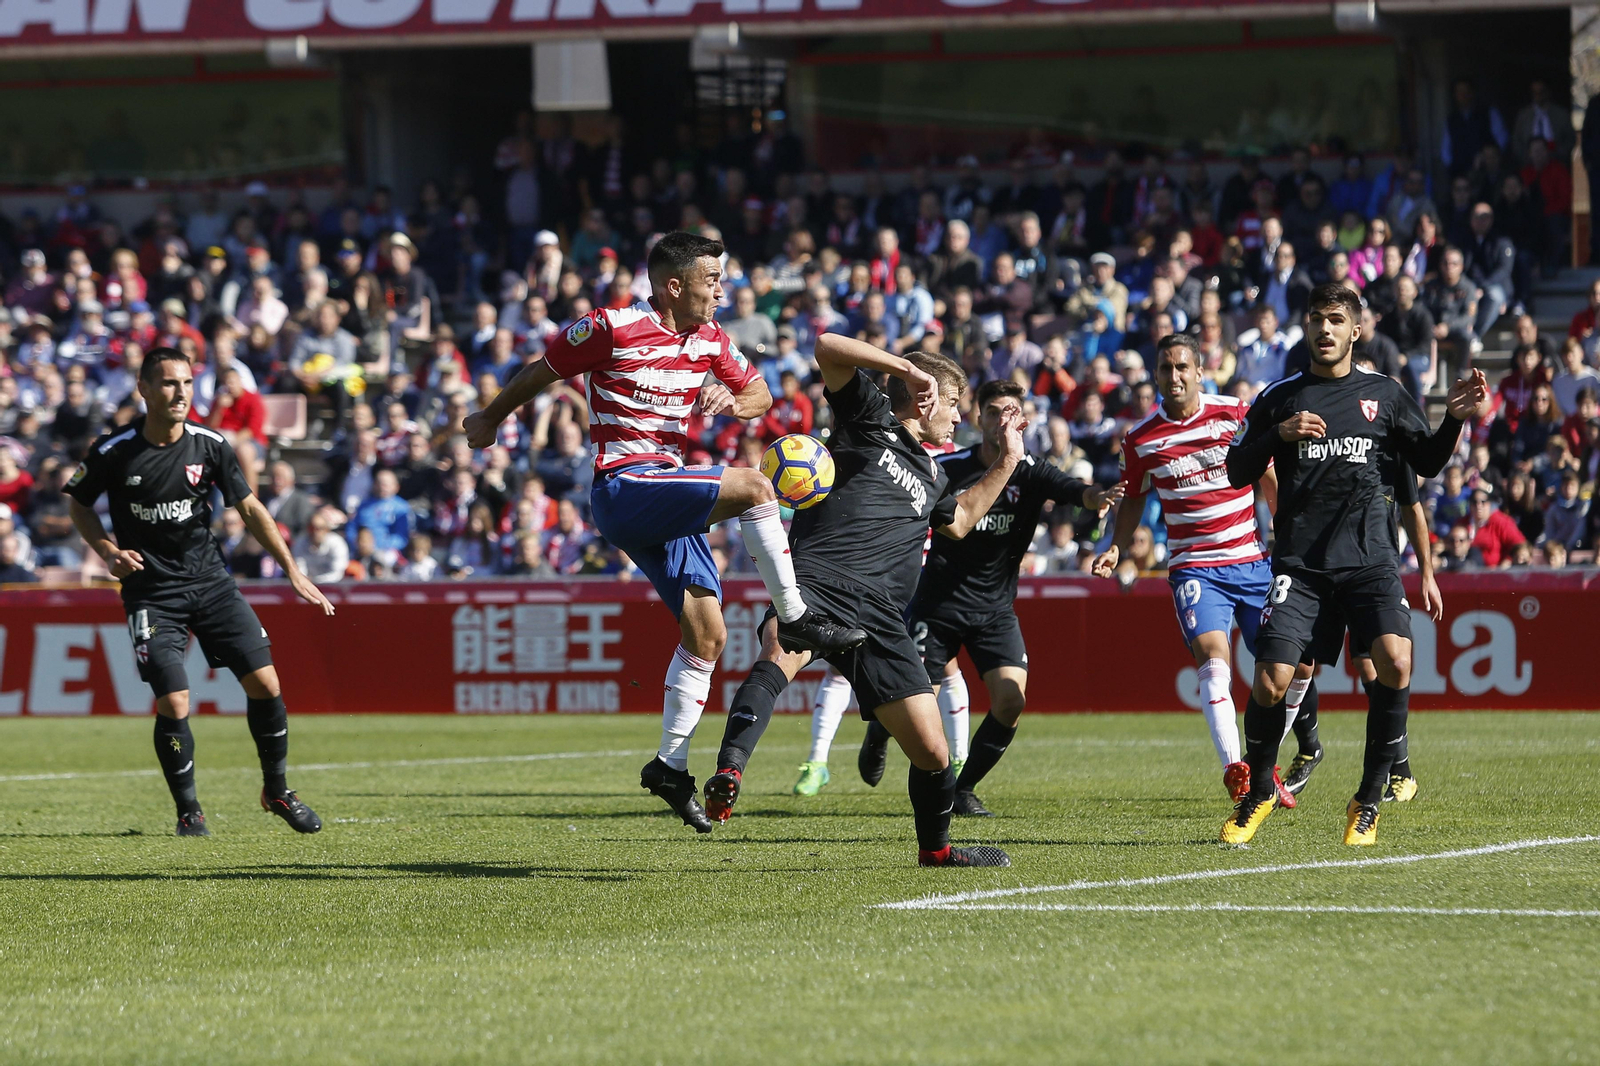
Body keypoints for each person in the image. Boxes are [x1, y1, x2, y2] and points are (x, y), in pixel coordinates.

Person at [462, 232, 864, 833]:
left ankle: (669, 766)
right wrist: (490, 418)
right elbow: (542, 371)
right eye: (711, 280)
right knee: (757, 488)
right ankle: (797, 616)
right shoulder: (611, 326)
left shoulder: (711, 341)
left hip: (669, 494)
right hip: (624, 486)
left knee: (708, 636)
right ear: (672, 285)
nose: (722, 290)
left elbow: (760, 392)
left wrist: (728, 399)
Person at [698, 333, 1027, 868]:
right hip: (819, 582)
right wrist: (906, 368)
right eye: (952, 404)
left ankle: (936, 851)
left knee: (933, 751)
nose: (956, 418)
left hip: (880, 617)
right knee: (778, 653)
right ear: (925, 398)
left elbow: (962, 521)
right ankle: (730, 770)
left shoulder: (934, 474)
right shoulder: (868, 419)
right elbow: (826, 345)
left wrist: (1010, 459)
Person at [1224, 284, 1487, 846]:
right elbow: (1235, 471)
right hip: (1302, 566)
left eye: (1336, 320)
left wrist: (1454, 419)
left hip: (1370, 562)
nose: (1325, 329)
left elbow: (1428, 463)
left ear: (1356, 331)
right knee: (1270, 680)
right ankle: (1261, 788)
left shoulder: (1385, 395)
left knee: (1395, 660)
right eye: (1317, 319)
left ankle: (1368, 799)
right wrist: (1276, 435)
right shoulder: (1280, 396)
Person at [64, 347, 335, 838]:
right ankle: (189, 812)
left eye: (187, 383)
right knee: (176, 701)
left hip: (211, 583)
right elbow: (79, 505)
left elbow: (251, 509)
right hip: (151, 593)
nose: (180, 392)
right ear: (144, 390)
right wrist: (107, 551)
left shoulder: (210, 445)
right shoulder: (114, 451)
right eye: (168, 383)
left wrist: (292, 571)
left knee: (267, 685)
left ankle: (277, 790)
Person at [850, 379, 1122, 817]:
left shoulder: (1030, 471)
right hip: (937, 608)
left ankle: (963, 788)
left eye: (1011, 412)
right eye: (993, 412)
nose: (1001, 420)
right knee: (918, 708)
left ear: (1023, 420)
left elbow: (1076, 491)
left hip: (994, 609)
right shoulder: (950, 467)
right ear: (979, 418)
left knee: (1011, 700)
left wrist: (1098, 498)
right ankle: (879, 733)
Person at [1095, 334, 1313, 803]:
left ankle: (1265, 764)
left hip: (1253, 563)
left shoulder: (1234, 413)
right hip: (1196, 569)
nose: (1173, 377)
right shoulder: (1140, 438)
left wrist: (1288, 539)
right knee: (1214, 660)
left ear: (1198, 371)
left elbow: (1268, 479)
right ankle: (1237, 771)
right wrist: (1116, 547)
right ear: (1155, 375)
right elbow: (1134, 498)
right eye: (1165, 368)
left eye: (1181, 368)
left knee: (1296, 667)